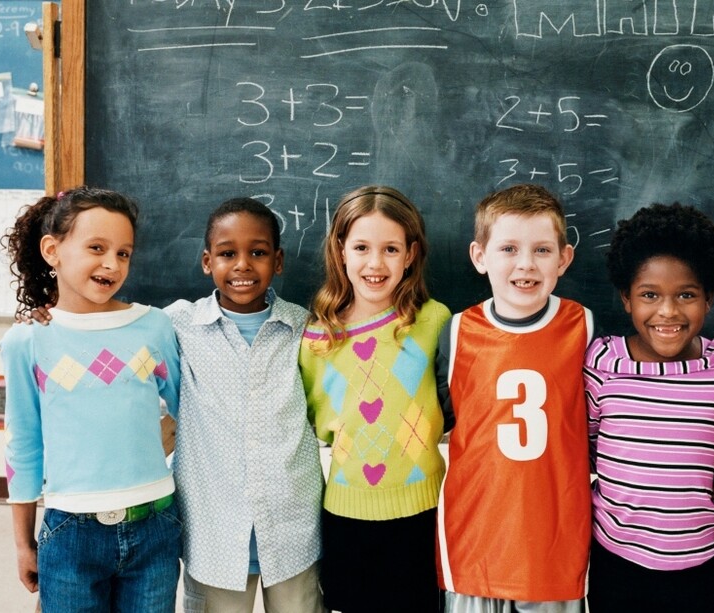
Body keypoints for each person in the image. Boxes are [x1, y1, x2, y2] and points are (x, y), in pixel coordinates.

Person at [0, 187, 182, 612]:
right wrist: (23, 543)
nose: (111, 263)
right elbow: (22, 444)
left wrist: (154, 444)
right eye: (96, 248)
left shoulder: (154, 327)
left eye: (123, 253)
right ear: (52, 250)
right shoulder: (27, 340)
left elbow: (187, 409)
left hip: (155, 523)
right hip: (70, 532)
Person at [435, 183, 592, 613]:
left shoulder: (584, 328)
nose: (526, 264)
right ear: (480, 256)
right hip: (474, 543)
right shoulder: (455, 332)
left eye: (542, 250)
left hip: (552, 549)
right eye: (508, 249)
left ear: (564, 258)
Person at [165, 198, 326, 613]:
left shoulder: (304, 328)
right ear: (206, 261)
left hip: (293, 530)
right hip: (213, 532)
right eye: (226, 253)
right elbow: (111, 327)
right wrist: (50, 316)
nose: (242, 265)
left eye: (257, 252)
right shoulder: (179, 327)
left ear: (279, 260)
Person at [583, 203, 714, 612]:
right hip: (615, 559)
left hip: (696, 564)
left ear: (709, 298)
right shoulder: (602, 364)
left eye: (686, 295)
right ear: (626, 299)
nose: (668, 311)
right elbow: (586, 444)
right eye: (649, 295)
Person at [298, 185, 451, 613]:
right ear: (341, 250)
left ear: (410, 254)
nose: (375, 263)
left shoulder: (434, 322)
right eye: (362, 247)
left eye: (390, 249)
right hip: (346, 517)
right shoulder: (316, 339)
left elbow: (452, 404)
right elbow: (314, 419)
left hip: (424, 512)